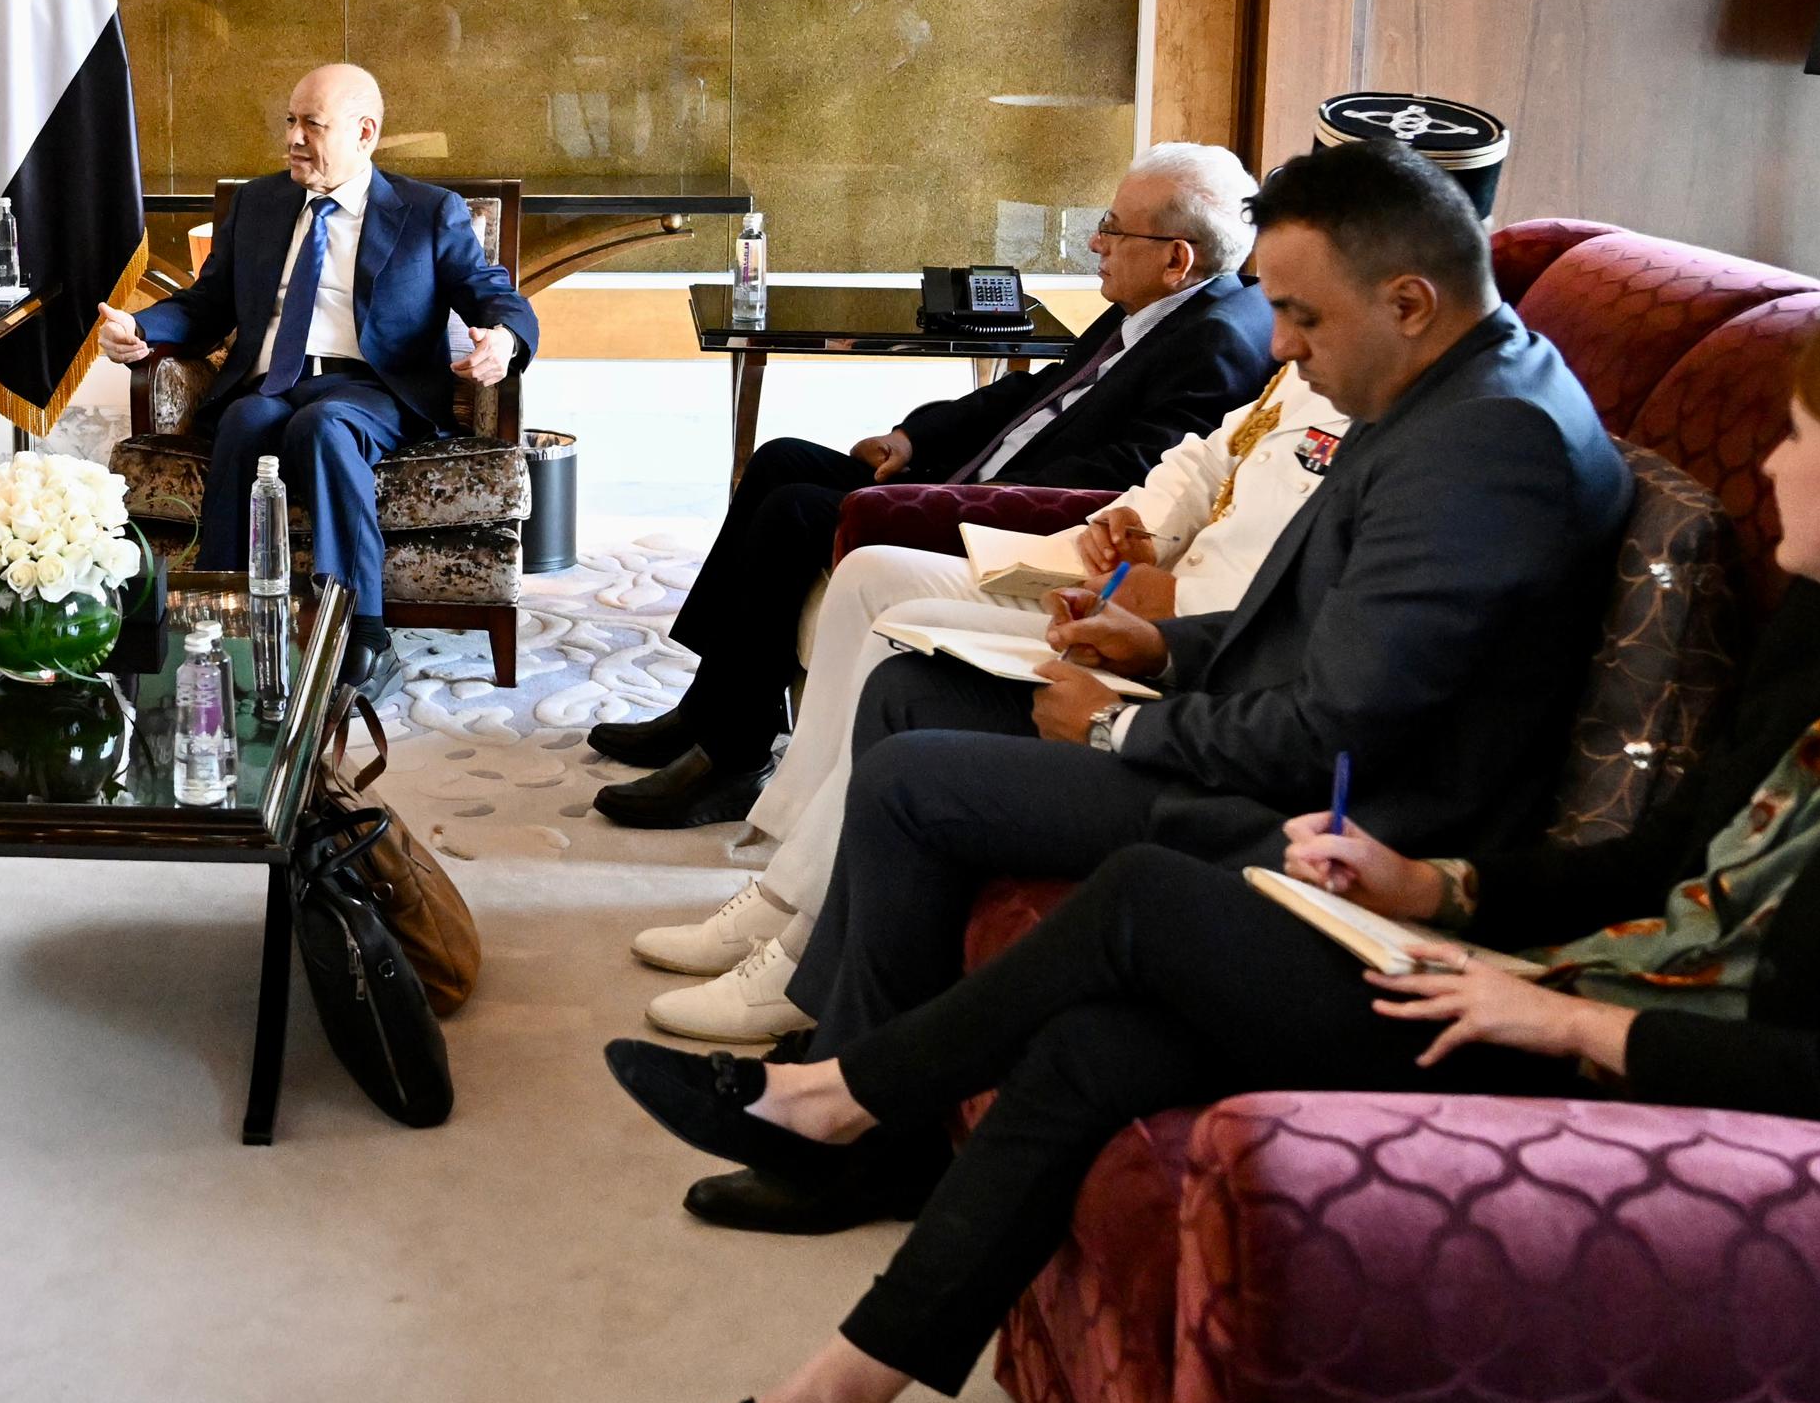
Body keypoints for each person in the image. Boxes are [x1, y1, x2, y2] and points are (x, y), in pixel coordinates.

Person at [594, 293, 1820, 1403]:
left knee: (1146, 897)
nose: (1772, 463)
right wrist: (1438, 885)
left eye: (1807, 435)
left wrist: (1564, 1023)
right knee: (1101, 1047)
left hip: (1675, 1094)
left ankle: (835, 1099)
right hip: (1579, 982)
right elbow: (1658, 866)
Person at [656, 138, 1629, 1235]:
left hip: (1331, 823)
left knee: (910, 783)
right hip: (1275, 742)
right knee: (912, 693)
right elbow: (1315, 634)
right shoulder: (1445, 387)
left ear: (1407, 300)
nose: (1281, 345)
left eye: (1300, 315)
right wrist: (1159, 649)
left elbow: (1337, 735)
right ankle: (847, 1037)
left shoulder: (1482, 449)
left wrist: (1117, 728)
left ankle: (863, 1136)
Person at [629, 361, 1352, 1043]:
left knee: (901, 655)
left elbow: (1306, 615)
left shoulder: (1373, 409)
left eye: (1297, 311)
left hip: (1197, 651)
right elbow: (1205, 458)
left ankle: (797, 939)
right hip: (1142, 599)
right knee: (879, 592)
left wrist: (1178, 605)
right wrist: (1137, 527)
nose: (1279, 341)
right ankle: (784, 890)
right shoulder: (1316, 363)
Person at [591, 144, 1271, 828]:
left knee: (795, 512)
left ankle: (734, 759)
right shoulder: (1153, 305)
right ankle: (709, 708)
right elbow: (1030, 395)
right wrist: (913, 438)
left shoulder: (1213, 342)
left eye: (1114, 229)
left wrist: (958, 495)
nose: (1097, 241)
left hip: (1005, 518)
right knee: (780, 460)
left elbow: (1121, 477)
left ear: (1176, 258)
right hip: (971, 480)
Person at [89, 63, 537, 699]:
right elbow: (207, 303)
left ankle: (363, 636)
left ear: (364, 133)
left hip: (373, 391)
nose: (293, 138)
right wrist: (141, 327)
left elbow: (491, 292)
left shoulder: (427, 211)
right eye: (291, 121)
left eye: (312, 125)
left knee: (323, 426)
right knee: (244, 419)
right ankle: (220, 621)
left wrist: (505, 340)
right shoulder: (259, 203)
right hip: (272, 382)